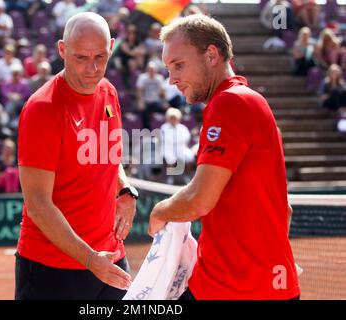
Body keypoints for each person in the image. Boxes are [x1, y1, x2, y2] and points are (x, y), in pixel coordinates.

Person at [148, 14, 300, 300]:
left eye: (178, 65)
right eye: (169, 69)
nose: (172, 80)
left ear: (211, 55)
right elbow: (285, 211)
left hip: (232, 289)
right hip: (267, 287)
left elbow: (199, 200)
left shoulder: (229, 103)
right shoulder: (247, 100)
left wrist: (160, 211)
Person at [15, 12, 136, 300]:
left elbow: (107, 154)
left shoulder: (108, 92)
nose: (92, 69)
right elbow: (38, 205)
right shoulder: (43, 109)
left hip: (109, 258)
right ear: (62, 50)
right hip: (52, 269)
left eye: (101, 57)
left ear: (112, 47)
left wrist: (126, 190)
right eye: (81, 58)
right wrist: (90, 259)